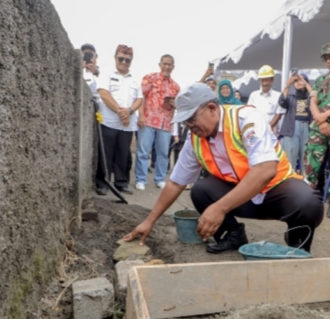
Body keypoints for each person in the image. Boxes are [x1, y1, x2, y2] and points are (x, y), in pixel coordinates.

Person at [124, 82, 323, 253]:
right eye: (185, 123)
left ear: (211, 108)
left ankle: (297, 245)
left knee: (308, 203)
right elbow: (176, 183)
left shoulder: (246, 119)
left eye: (192, 120)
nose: (189, 127)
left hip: (276, 192)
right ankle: (233, 235)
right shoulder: (195, 139)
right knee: (201, 191)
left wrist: (219, 207)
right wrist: (149, 221)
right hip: (242, 195)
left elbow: (265, 170)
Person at [96, 44, 143, 195]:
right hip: (109, 122)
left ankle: (121, 183)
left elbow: (139, 99)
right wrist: (119, 111)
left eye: (127, 60)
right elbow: (104, 94)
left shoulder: (135, 80)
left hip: (127, 125)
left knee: (124, 155)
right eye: (121, 58)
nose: (124, 62)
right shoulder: (106, 75)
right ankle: (103, 183)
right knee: (106, 154)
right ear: (115, 58)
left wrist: (129, 111)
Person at [135, 54, 180, 191]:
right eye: (165, 63)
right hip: (147, 120)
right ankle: (140, 179)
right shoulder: (150, 78)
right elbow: (140, 97)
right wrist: (141, 115)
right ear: (160, 64)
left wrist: (174, 104)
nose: (167, 66)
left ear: (173, 67)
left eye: (169, 64)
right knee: (143, 151)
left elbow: (179, 105)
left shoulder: (175, 86)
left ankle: (160, 179)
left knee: (163, 153)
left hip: (165, 124)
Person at [304, 43, 330, 191]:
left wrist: (325, 116)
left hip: (324, 120)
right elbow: (313, 100)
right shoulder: (321, 80)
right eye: (326, 58)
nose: (328, 60)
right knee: (311, 163)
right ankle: (309, 199)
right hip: (319, 127)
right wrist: (319, 119)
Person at [278, 72, 312, 175]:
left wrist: (306, 84)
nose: (297, 83)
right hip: (292, 128)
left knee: (306, 158)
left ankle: (305, 182)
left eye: (300, 80)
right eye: (295, 81)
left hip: (307, 127)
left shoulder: (310, 97)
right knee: (290, 157)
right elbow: (282, 102)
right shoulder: (291, 96)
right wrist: (287, 85)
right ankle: (289, 182)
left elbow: (316, 99)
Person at [248, 65, 285, 134]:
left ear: (272, 80)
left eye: (267, 80)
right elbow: (249, 113)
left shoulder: (278, 96)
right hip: (255, 133)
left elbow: (278, 114)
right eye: (263, 80)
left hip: (271, 134)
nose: (265, 83)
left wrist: (267, 129)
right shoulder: (254, 95)